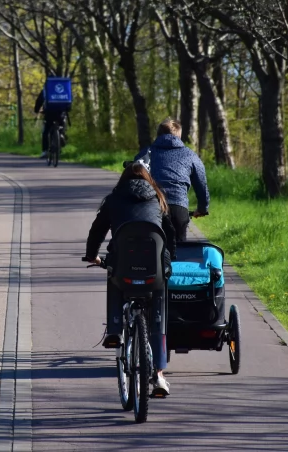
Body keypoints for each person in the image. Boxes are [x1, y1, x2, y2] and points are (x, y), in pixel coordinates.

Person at [84, 161, 176, 396]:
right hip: (154, 272)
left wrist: (92, 256)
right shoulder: (158, 197)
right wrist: (170, 259)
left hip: (124, 269)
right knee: (159, 318)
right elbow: (170, 233)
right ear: (148, 178)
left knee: (113, 274)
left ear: (123, 178)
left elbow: (97, 230)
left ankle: (114, 331)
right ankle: (159, 377)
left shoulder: (113, 199)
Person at [134, 118, 209, 241]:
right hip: (178, 208)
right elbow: (201, 185)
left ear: (158, 135)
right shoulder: (190, 155)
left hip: (150, 208)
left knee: (148, 249)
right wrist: (202, 208)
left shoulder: (146, 153)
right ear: (179, 136)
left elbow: (133, 180)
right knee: (178, 252)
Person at [34, 89, 69, 159]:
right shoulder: (64, 87)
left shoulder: (46, 88)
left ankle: (45, 151)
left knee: (45, 131)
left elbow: (39, 101)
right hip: (61, 112)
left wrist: (36, 110)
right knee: (62, 124)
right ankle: (61, 134)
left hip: (49, 113)